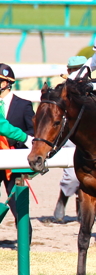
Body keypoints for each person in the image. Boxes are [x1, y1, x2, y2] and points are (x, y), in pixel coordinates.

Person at [53, 56, 87, 222]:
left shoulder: (92, 88)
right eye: (75, 70)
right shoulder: (63, 91)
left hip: (88, 136)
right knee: (72, 177)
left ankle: (82, 209)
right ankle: (62, 200)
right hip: (69, 136)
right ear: (69, 72)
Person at [0, 63, 34, 209]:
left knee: (16, 205)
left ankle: (25, 231)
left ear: (7, 82)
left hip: (14, 160)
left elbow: (32, 131)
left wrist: (14, 142)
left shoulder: (24, 105)